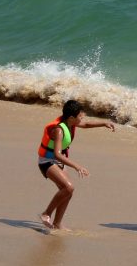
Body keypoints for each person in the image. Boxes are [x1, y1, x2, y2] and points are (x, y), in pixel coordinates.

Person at [37, 99, 114, 232]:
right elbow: (57, 154)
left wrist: (104, 123)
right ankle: (46, 213)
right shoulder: (58, 130)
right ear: (72, 117)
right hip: (47, 162)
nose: (82, 118)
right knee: (69, 187)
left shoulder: (70, 123)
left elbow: (86, 124)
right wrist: (77, 166)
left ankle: (57, 224)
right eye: (80, 116)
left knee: (68, 192)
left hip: (59, 162)